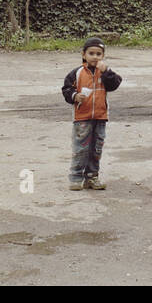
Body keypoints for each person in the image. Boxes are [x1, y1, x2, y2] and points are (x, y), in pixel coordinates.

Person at [60, 37, 122, 191]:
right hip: (82, 117)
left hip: (100, 117)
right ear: (84, 55)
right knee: (81, 148)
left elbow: (114, 84)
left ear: (103, 56)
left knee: (96, 148)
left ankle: (92, 177)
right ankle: (75, 177)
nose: (95, 57)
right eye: (91, 53)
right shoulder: (77, 73)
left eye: (99, 54)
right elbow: (66, 89)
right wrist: (75, 96)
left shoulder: (105, 72)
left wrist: (106, 71)